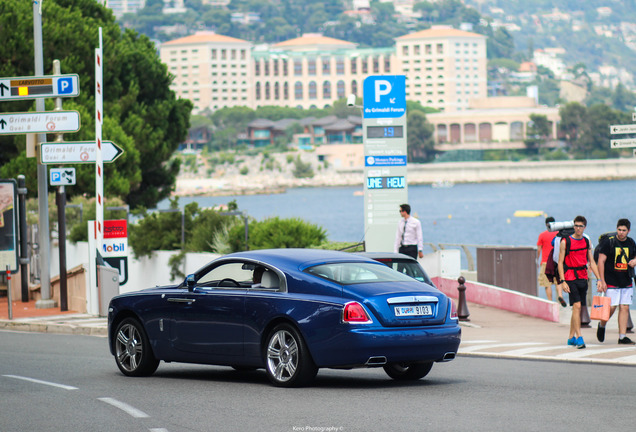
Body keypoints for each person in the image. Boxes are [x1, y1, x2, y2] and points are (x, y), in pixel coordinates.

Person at [557, 215, 601, 349]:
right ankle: (579, 337)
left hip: (583, 277)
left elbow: (591, 261)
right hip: (570, 277)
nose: (578, 228)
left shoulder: (586, 241)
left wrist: (599, 279)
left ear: (584, 227)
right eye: (576, 225)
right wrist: (562, 281)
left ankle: (571, 338)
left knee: (578, 308)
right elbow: (560, 262)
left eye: (580, 226)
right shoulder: (565, 241)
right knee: (576, 307)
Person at [596, 218, 636, 345]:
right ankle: (602, 325)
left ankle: (622, 336)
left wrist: (635, 261)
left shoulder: (631, 242)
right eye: (619, 230)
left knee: (624, 307)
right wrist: (602, 280)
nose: (621, 232)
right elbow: (601, 261)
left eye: (624, 230)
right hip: (611, 280)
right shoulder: (609, 243)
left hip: (626, 280)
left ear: (628, 231)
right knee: (611, 308)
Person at [536, 216, 566, 306]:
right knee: (558, 281)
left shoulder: (542, 235)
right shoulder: (559, 234)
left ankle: (550, 301)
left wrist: (537, 260)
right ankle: (560, 296)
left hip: (545, 262)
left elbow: (538, 249)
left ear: (546, 225)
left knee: (547, 283)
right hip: (557, 261)